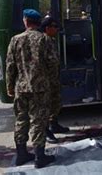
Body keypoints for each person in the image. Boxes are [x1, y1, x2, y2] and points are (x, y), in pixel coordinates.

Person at [6, 9, 58, 168]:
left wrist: (9, 86)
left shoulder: (15, 40)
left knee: (21, 119)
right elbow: (53, 64)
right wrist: (52, 83)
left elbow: (10, 66)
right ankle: (39, 156)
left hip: (21, 88)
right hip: (40, 88)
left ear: (26, 21)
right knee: (38, 121)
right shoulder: (45, 39)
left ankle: (21, 153)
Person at [40, 16, 69, 144]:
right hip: (45, 81)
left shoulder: (50, 40)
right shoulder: (43, 40)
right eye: (55, 27)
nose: (57, 30)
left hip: (53, 79)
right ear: (47, 28)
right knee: (45, 106)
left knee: (55, 103)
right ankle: (46, 131)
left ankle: (54, 124)